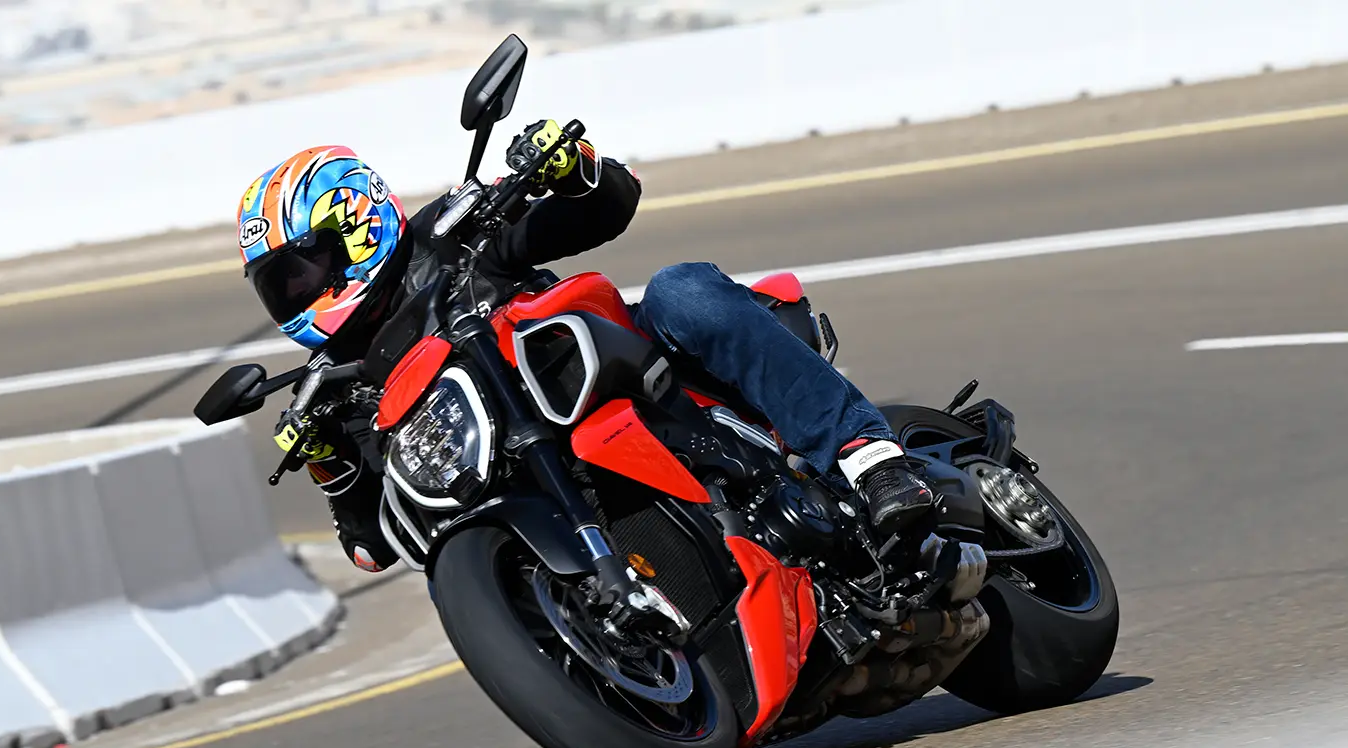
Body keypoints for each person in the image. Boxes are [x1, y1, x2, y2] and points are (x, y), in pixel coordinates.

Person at [235, 121, 933, 573]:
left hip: (621, 382)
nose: (297, 293)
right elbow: (372, 551)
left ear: (355, 222)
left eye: (303, 269)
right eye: (279, 286)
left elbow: (609, 206)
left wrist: (574, 168)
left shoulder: (449, 237)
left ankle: (870, 461)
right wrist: (331, 467)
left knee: (682, 291)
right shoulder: (340, 386)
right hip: (536, 483)